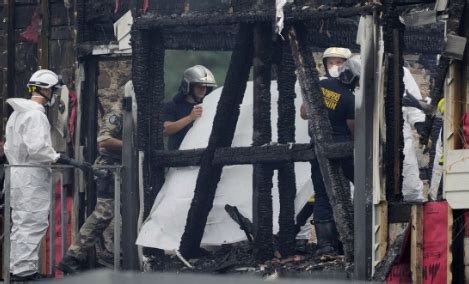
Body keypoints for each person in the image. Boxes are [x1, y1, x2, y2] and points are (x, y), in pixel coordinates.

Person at [4, 69, 91, 281]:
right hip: (30, 178)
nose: (54, 95)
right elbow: (39, 150)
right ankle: (23, 274)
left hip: (20, 176)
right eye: (53, 91)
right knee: (31, 224)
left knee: (23, 224)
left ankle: (21, 270)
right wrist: (69, 161)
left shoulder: (19, 113)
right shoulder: (35, 115)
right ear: (45, 90)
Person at [57, 90, 124, 274]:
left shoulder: (134, 112)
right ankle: (72, 256)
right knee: (103, 214)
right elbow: (104, 140)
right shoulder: (117, 113)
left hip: (120, 170)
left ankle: (123, 254)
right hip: (109, 170)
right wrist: (131, 144)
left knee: (124, 213)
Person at [300, 52, 358, 257]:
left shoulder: (320, 87)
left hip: (318, 147)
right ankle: (351, 238)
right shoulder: (350, 99)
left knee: (322, 194)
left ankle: (326, 245)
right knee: (360, 187)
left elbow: (304, 112)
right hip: (342, 149)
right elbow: (354, 131)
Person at [162, 65, 217, 150]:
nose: (203, 89)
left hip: (202, 156)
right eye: (199, 86)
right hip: (176, 158)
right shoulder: (172, 106)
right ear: (188, 86)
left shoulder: (207, 106)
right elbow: (164, 130)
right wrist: (190, 118)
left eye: (206, 86)